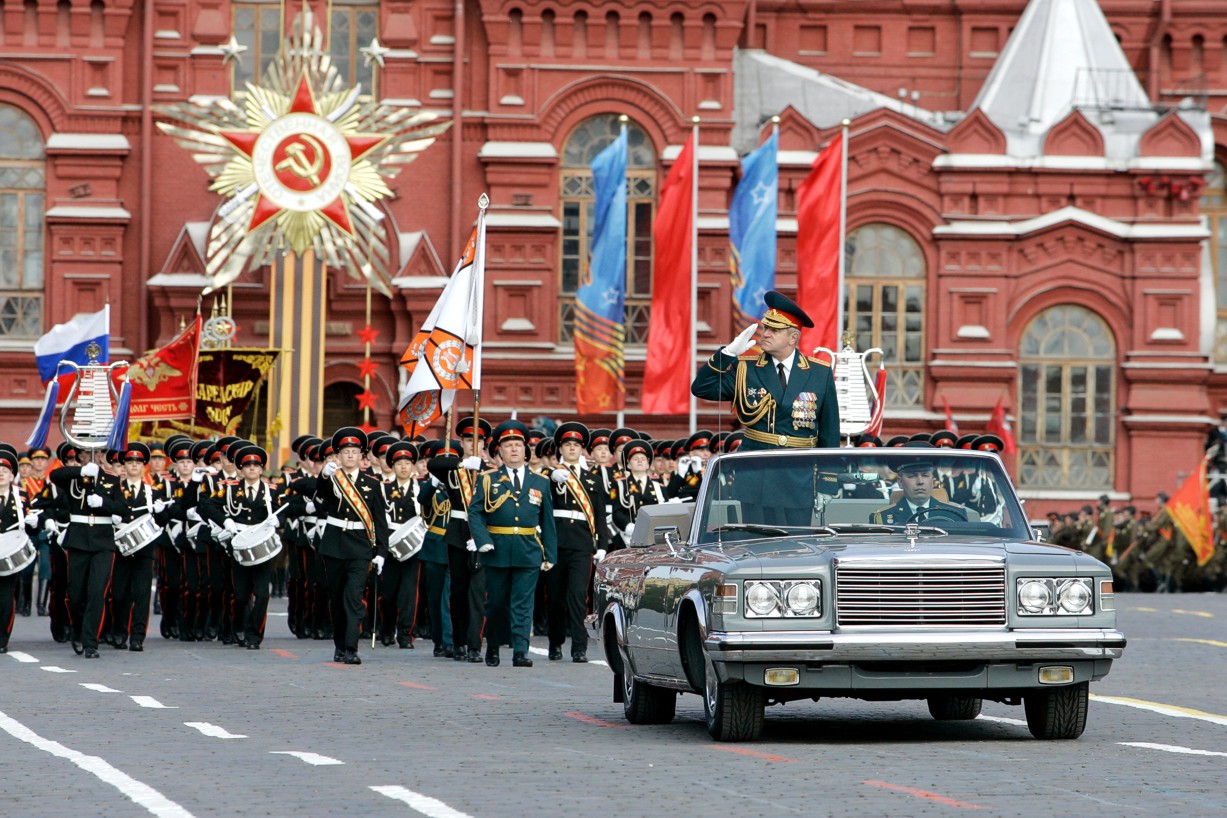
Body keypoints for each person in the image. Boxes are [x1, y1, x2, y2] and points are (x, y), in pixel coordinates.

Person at [691, 289, 839, 450]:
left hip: (800, 467)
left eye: (775, 330)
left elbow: (829, 431)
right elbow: (702, 388)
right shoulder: (745, 369)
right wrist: (727, 354)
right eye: (766, 328)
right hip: (756, 466)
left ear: (793, 338)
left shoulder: (819, 373)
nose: (766, 334)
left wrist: (828, 474)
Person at [467, 419, 557, 668]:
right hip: (496, 548)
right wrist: (482, 539)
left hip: (528, 549)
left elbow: (547, 520)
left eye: (518, 444)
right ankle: (493, 646)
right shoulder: (487, 480)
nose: (514, 449)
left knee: (523, 604)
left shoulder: (540, 481)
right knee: (496, 603)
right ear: (500, 451)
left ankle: (520, 651)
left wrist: (550, 554)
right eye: (508, 445)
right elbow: (475, 512)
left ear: (526, 450)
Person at [312, 428, 390, 665]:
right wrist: (324, 476)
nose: (350, 456)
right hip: (335, 545)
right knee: (336, 599)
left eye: (354, 452)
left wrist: (381, 553)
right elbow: (322, 496)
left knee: (353, 598)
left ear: (361, 456)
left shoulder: (372, 484)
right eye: (345, 452)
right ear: (338, 455)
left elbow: (379, 521)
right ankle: (339, 644)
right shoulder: (333, 478)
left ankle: (351, 647)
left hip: (360, 547)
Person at [200, 443, 283, 650]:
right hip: (239, 545)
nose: (252, 468)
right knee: (240, 595)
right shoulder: (229, 488)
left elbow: (284, 508)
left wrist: (278, 520)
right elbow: (207, 505)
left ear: (262, 468)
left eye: (256, 465)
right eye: (247, 465)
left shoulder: (271, 490)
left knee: (263, 593)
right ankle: (239, 626)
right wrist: (224, 520)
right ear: (240, 469)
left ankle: (254, 635)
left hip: (262, 545)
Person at [50, 446, 128, 658]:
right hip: (78, 540)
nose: (92, 456)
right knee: (75, 594)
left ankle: (90, 641)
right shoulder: (73, 479)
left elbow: (123, 509)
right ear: (80, 456)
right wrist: (81, 471)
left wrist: (104, 502)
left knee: (96, 593)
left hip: (103, 542)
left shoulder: (111, 480)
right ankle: (77, 629)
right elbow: (55, 475)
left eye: (99, 452)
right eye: (85, 453)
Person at [546, 421, 609, 663]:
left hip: (582, 543)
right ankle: (555, 642)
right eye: (567, 444)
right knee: (554, 597)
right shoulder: (550, 475)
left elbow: (600, 515)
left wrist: (602, 544)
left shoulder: (592, 480)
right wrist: (551, 478)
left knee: (576, 596)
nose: (572, 448)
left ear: (582, 449)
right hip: (556, 542)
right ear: (560, 448)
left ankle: (579, 646)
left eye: (576, 445)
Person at [870, 457, 965, 524]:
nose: (920, 482)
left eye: (925, 475)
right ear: (900, 482)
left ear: (932, 481)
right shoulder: (882, 519)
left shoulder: (955, 515)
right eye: (912, 476)